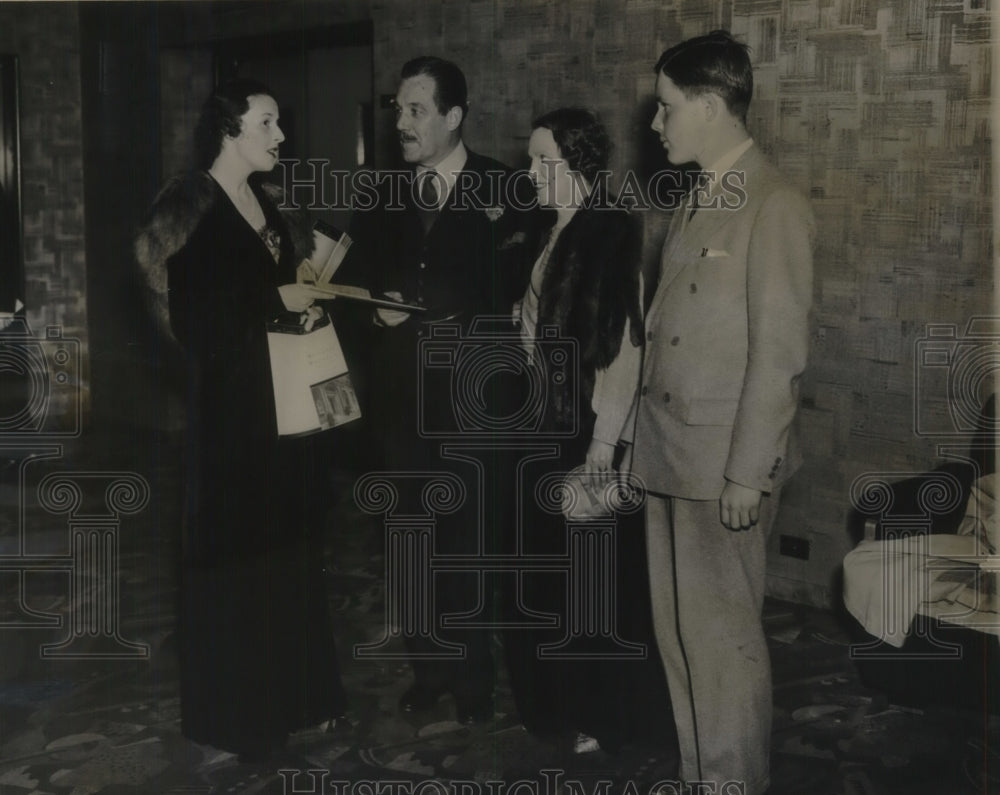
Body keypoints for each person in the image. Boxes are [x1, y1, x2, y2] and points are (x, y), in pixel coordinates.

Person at [135, 78, 348, 762]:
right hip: (232, 418)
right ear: (228, 132)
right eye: (267, 123)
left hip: (282, 409)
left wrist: (306, 305)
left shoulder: (266, 203)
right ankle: (238, 716)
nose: (280, 136)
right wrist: (271, 319)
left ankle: (296, 696)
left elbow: (278, 288)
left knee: (287, 550)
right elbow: (191, 320)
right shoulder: (191, 205)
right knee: (236, 562)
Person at [627, 31, 814, 794]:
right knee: (679, 636)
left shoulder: (774, 205)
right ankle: (699, 774)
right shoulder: (702, 197)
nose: (655, 125)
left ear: (708, 105)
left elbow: (780, 353)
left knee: (723, 640)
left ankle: (732, 782)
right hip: (670, 452)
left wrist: (748, 472)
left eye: (667, 108)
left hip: (721, 466)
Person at [345, 56, 531, 725]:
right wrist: (373, 308)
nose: (401, 122)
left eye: (416, 110)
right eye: (398, 108)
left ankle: (473, 678)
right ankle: (429, 672)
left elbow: (519, 290)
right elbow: (353, 281)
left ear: (454, 117)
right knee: (411, 540)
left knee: (468, 542)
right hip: (401, 403)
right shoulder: (380, 193)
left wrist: (447, 310)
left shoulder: (506, 191)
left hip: (474, 402)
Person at [502, 107, 657, 754]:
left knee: (590, 581)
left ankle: (602, 716)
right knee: (551, 576)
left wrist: (601, 447)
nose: (532, 173)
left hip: (586, 430)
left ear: (581, 166)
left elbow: (625, 348)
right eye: (531, 160)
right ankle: (563, 707)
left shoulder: (607, 232)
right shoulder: (558, 229)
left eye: (546, 162)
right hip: (546, 423)